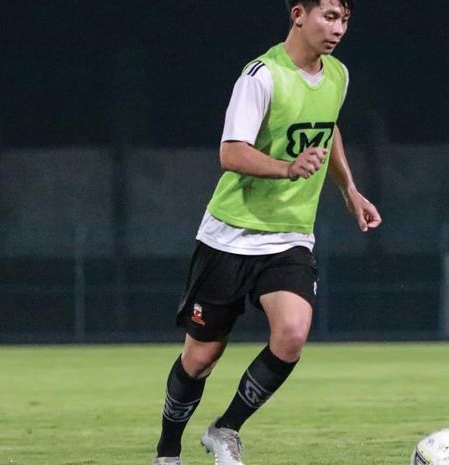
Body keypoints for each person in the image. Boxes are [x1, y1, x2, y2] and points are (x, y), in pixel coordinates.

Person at [152, 1, 380, 464]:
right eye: (329, 16)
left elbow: (328, 129)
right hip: (229, 237)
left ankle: (225, 428)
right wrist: (287, 168)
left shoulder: (338, 75)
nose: (338, 29)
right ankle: (167, 451)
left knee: (292, 333)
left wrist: (349, 191)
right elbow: (231, 153)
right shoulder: (261, 75)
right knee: (200, 359)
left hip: (290, 237)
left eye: (345, 20)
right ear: (299, 14)